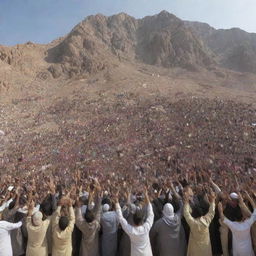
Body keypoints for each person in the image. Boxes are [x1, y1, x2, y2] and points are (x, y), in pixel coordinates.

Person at [115, 187, 154, 256]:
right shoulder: (146, 227)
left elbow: (120, 218)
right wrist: (146, 195)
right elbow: (150, 212)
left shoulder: (131, 230)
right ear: (142, 220)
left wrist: (116, 202)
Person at [150, 183, 187, 256]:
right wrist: (173, 188)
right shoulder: (178, 217)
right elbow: (182, 205)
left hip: (164, 251)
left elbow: (152, 234)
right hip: (178, 251)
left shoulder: (159, 223)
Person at [218, 191, 256, 256]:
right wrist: (249, 198)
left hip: (238, 251)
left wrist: (220, 210)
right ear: (243, 218)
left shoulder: (233, 225)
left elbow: (222, 218)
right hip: (248, 251)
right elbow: (255, 210)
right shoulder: (248, 223)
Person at [183, 190, 216, 256]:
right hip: (205, 250)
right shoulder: (206, 220)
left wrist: (186, 202)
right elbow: (211, 212)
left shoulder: (192, 223)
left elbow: (186, 213)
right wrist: (213, 201)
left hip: (195, 251)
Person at [75, 180, 102, 256]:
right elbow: (98, 208)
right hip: (94, 248)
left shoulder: (82, 224)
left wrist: (78, 206)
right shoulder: (96, 224)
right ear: (93, 217)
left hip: (85, 250)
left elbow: (78, 217)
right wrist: (98, 194)